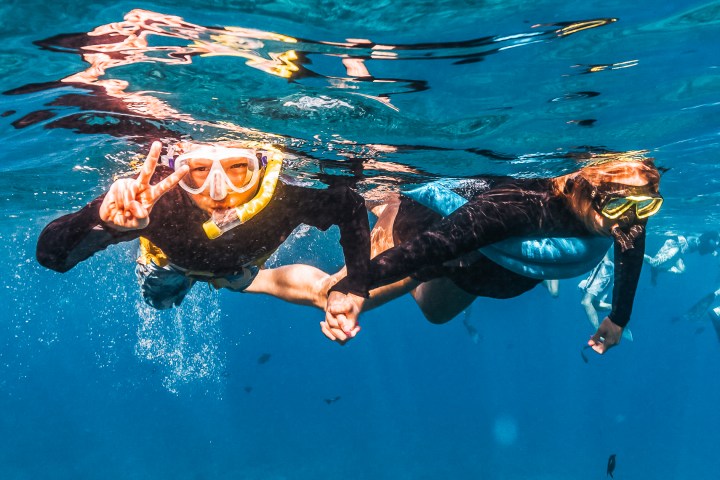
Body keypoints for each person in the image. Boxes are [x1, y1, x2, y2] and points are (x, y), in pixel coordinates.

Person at [324, 156, 663, 355]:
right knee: (325, 293)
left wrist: (618, 317)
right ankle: (266, 277)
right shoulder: (522, 207)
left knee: (435, 311)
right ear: (587, 195)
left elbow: (630, 249)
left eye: (646, 207)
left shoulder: (626, 207)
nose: (631, 221)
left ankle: (387, 199)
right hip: (436, 230)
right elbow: (437, 243)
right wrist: (356, 284)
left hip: (477, 266)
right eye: (621, 208)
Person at [36, 141, 370, 310]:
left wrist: (356, 284)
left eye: (238, 168)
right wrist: (102, 222)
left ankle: (239, 281)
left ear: (262, 165)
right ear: (177, 170)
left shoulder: (286, 198)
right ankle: (226, 279)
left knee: (245, 280)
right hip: (168, 266)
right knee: (160, 302)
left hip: (242, 267)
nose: (219, 190)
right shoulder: (155, 203)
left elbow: (350, 205)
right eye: (198, 171)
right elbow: (53, 258)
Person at [643, 231, 719, 285]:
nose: (718, 243)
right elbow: (701, 239)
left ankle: (659, 270)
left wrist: (711, 249)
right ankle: (636, 253)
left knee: (682, 271)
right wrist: (712, 249)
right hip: (676, 244)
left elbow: (701, 252)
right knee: (655, 263)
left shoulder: (715, 245)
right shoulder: (714, 234)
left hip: (681, 252)